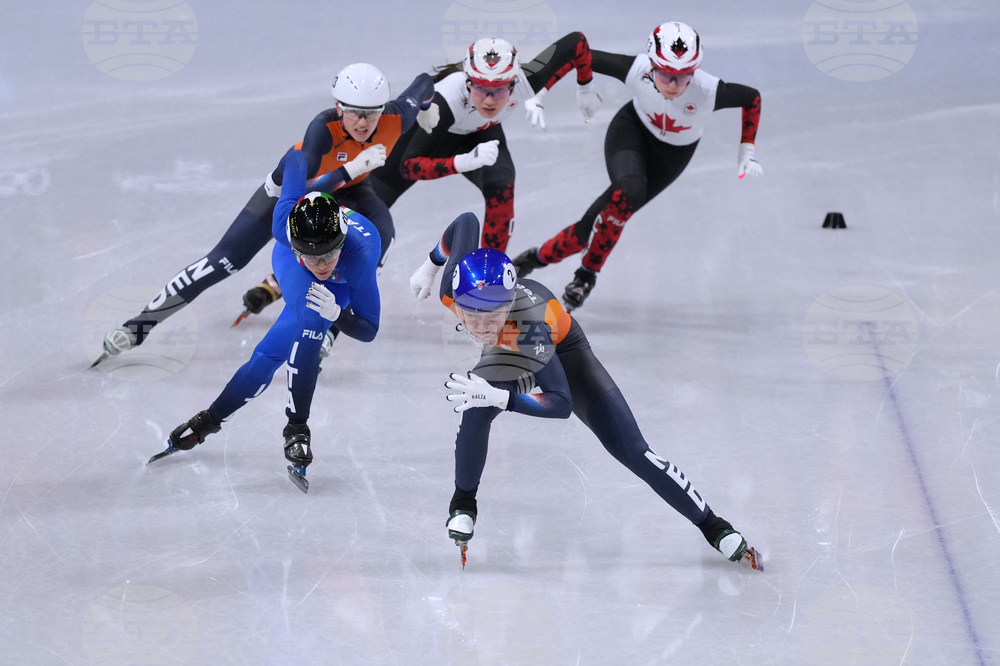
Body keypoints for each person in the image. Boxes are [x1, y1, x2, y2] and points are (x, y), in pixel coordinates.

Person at [407, 211, 762, 569]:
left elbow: (560, 403)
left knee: (633, 449)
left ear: (510, 304)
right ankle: (463, 503)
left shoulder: (530, 324)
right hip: (509, 353)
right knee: (474, 405)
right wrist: (430, 265)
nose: (481, 327)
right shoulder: (453, 289)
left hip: (563, 354)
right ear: (458, 301)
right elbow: (467, 222)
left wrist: (502, 398)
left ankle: (713, 526)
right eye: (471, 316)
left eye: (492, 316)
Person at [93, 63, 433, 365]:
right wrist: (351, 169)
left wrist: (427, 110)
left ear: (382, 109)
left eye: (371, 113)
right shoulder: (323, 129)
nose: (362, 122)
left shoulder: (396, 118)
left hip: (353, 191)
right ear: (338, 107)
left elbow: (424, 82)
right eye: (354, 112)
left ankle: (331, 329)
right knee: (224, 260)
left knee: (380, 237)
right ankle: (139, 324)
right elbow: (304, 189)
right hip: (290, 192)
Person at [149, 149, 381, 493]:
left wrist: (338, 315)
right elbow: (296, 158)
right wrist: (276, 179)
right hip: (291, 265)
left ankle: (213, 420)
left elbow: (369, 330)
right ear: (295, 245)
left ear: (342, 242)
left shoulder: (359, 258)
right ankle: (293, 428)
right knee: (310, 322)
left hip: (342, 286)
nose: (321, 265)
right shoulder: (284, 227)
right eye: (313, 256)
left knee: (271, 352)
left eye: (329, 253)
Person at [510, 21, 764, 312]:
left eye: (683, 77)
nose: (673, 84)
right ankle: (586, 276)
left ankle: (536, 259)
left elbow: (752, 98)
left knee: (586, 230)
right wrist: (542, 93)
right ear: (652, 66)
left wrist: (747, 150)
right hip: (630, 132)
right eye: (665, 74)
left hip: (671, 158)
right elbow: (576, 55)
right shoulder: (637, 69)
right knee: (629, 191)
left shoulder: (708, 90)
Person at [367, 32, 601, 253]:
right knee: (367, 209)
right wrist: (463, 162)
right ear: (468, 83)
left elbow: (576, 42)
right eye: (480, 88)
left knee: (501, 185)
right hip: (431, 134)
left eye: (499, 90)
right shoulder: (447, 100)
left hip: (480, 134)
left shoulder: (527, 81)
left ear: (513, 84)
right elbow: (409, 166)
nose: (489, 101)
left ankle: (489, 272)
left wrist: (586, 87)